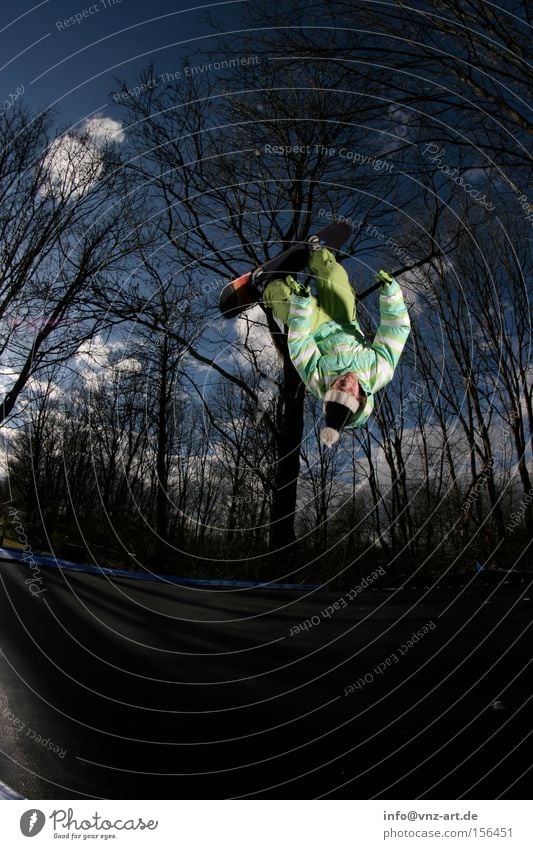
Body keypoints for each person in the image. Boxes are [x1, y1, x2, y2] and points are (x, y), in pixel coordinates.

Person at [263, 247, 411, 445]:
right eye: (350, 390)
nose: (347, 382)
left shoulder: (318, 381)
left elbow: (299, 344)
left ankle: (269, 287)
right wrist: (391, 294)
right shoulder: (379, 371)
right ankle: (317, 254)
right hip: (344, 320)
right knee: (335, 278)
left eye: (339, 385)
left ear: (330, 389)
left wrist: (301, 307)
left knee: (287, 303)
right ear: (360, 398)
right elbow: (396, 329)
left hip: (313, 326)